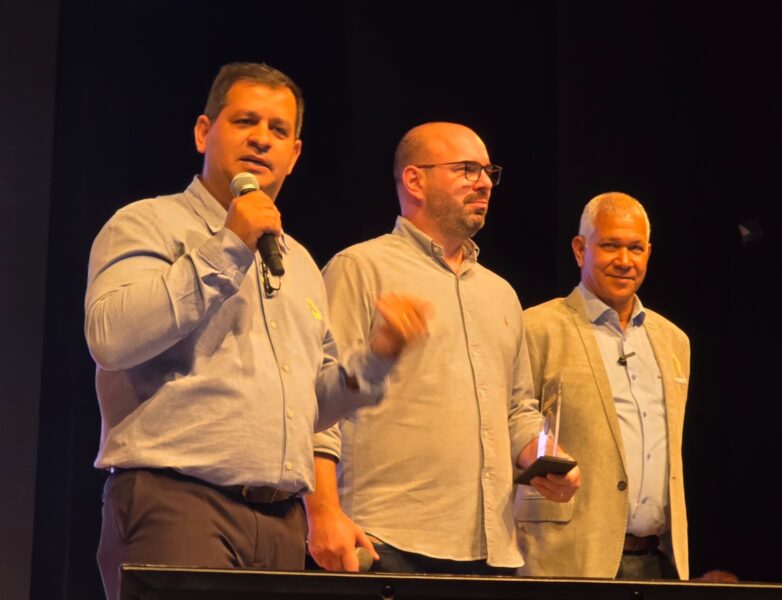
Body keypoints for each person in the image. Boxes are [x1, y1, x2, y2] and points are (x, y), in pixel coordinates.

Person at [85, 62, 427, 598]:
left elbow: (311, 407)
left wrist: (377, 357)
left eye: (278, 130)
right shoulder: (146, 224)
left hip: (280, 522)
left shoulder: (300, 263)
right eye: (246, 121)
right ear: (204, 132)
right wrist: (228, 245)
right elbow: (111, 338)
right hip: (178, 504)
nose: (262, 139)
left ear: (294, 154)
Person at [304, 122, 580, 574]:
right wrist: (323, 512)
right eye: (467, 169)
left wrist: (546, 457)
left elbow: (517, 411)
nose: (485, 182)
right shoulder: (359, 268)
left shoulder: (500, 293)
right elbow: (315, 410)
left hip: (491, 549)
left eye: (488, 171)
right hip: (386, 540)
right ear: (415, 180)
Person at [515, 192, 690, 580]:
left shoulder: (674, 340)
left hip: (658, 562)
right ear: (580, 250)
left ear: (648, 253)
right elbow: (509, 424)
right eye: (610, 245)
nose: (625, 260)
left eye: (635, 248)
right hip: (565, 559)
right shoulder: (536, 328)